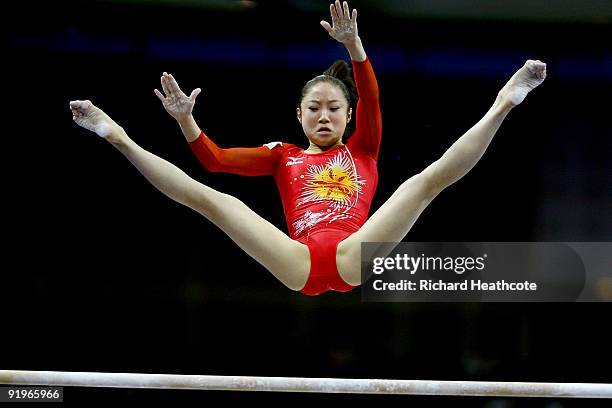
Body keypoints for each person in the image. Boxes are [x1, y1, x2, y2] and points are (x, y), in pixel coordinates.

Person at [69, 1, 546, 296]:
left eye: (334, 108)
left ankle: (504, 103)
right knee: (213, 202)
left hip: (353, 253)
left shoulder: (363, 148)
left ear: (349, 115)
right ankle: (119, 137)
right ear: (299, 117)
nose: (324, 115)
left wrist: (356, 48)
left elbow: (373, 98)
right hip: (296, 261)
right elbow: (215, 161)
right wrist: (187, 121)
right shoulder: (283, 155)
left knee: (425, 182)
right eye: (314, 108)